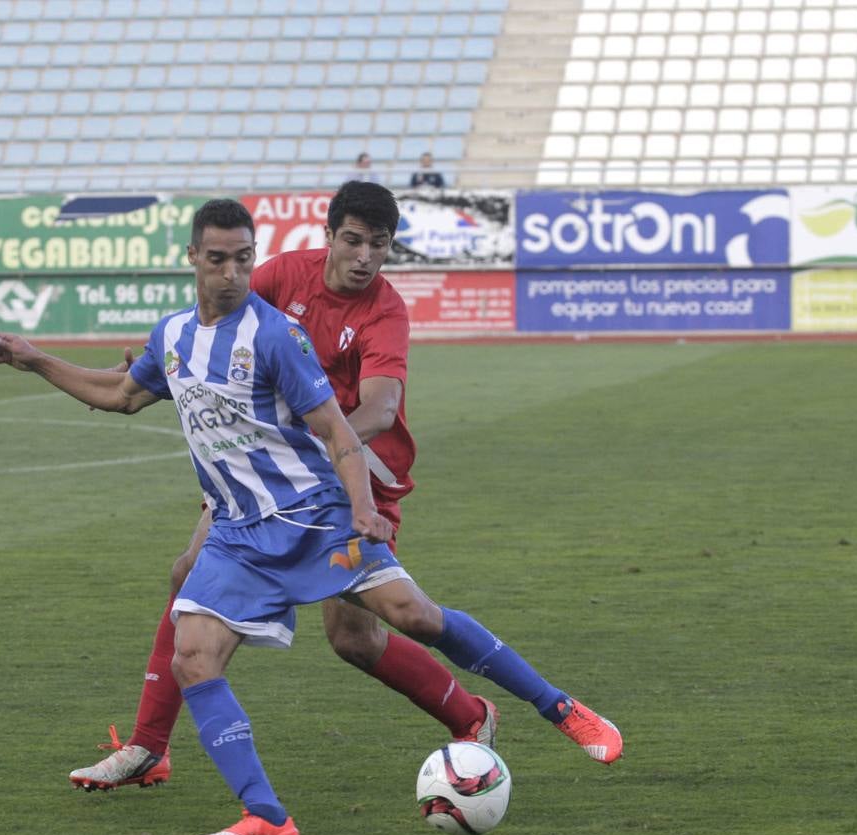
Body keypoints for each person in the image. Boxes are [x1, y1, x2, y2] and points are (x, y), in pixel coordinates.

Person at [0, 198, 623, 835]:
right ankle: (262, 813)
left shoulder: (278, 334)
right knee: (195, 653)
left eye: (241, 259)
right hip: (239, 528)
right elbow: (123, 394)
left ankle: (561, 708)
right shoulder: (177, 332)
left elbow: (348, 427)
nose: (232, 272)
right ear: (193, 260)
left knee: (409, 618)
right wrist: (35, 358)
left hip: (319, 514)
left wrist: (363, 509)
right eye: (218, 259)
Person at [66, 182, 522, 794]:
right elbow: (221, 313)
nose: (363, 256)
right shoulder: (284, 274)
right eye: (353, 241)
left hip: (356, 471)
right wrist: (177, 361)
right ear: (330, 236)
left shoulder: (384, 310)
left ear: (390, 249)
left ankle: (472, 714)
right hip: (270, 476)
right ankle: (149, 746)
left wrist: (300, 451)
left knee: (355, 638)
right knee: (188, 571)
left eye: (378, 245)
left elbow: (381, 409)